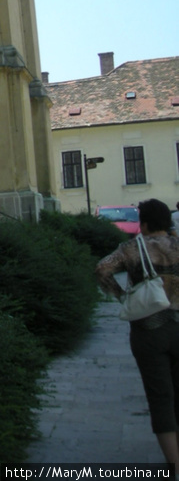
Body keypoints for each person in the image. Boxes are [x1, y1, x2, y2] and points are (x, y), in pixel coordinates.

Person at [96, 199, 179, 472]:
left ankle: (175, 466)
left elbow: (102, 269)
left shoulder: (132, 248)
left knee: (160, 397)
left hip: (148, 329)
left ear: (142, 223)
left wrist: (123, 297)